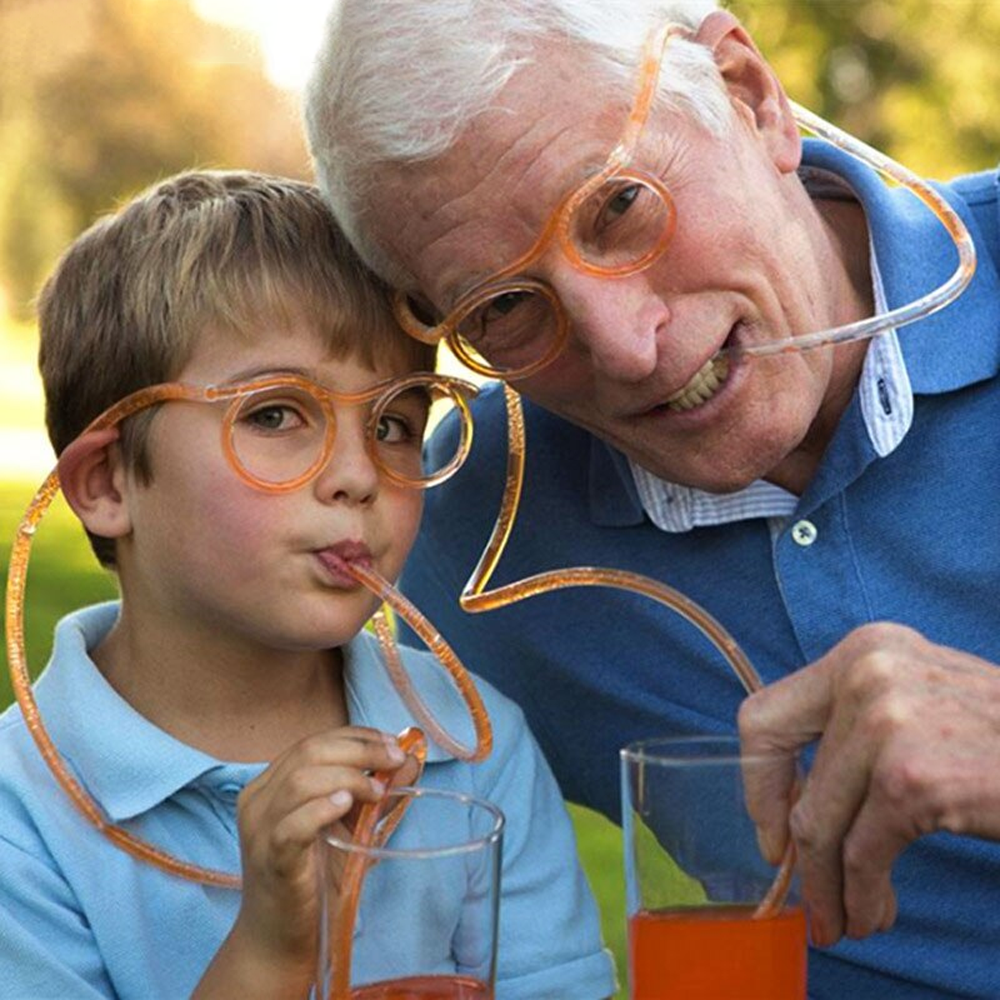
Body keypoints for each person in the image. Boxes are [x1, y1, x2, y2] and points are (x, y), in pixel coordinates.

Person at [305, 1, 1000, 996]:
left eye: (616, 207)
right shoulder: (479, 527)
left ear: (748, 96)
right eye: (504, 306)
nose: (626, 349)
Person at [0, 171, 617, 1000]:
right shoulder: (22, 821)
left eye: (395, 424)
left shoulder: (470, 749)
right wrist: (270, 946)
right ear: (109, 483)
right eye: (276, 414)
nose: (360, 475)